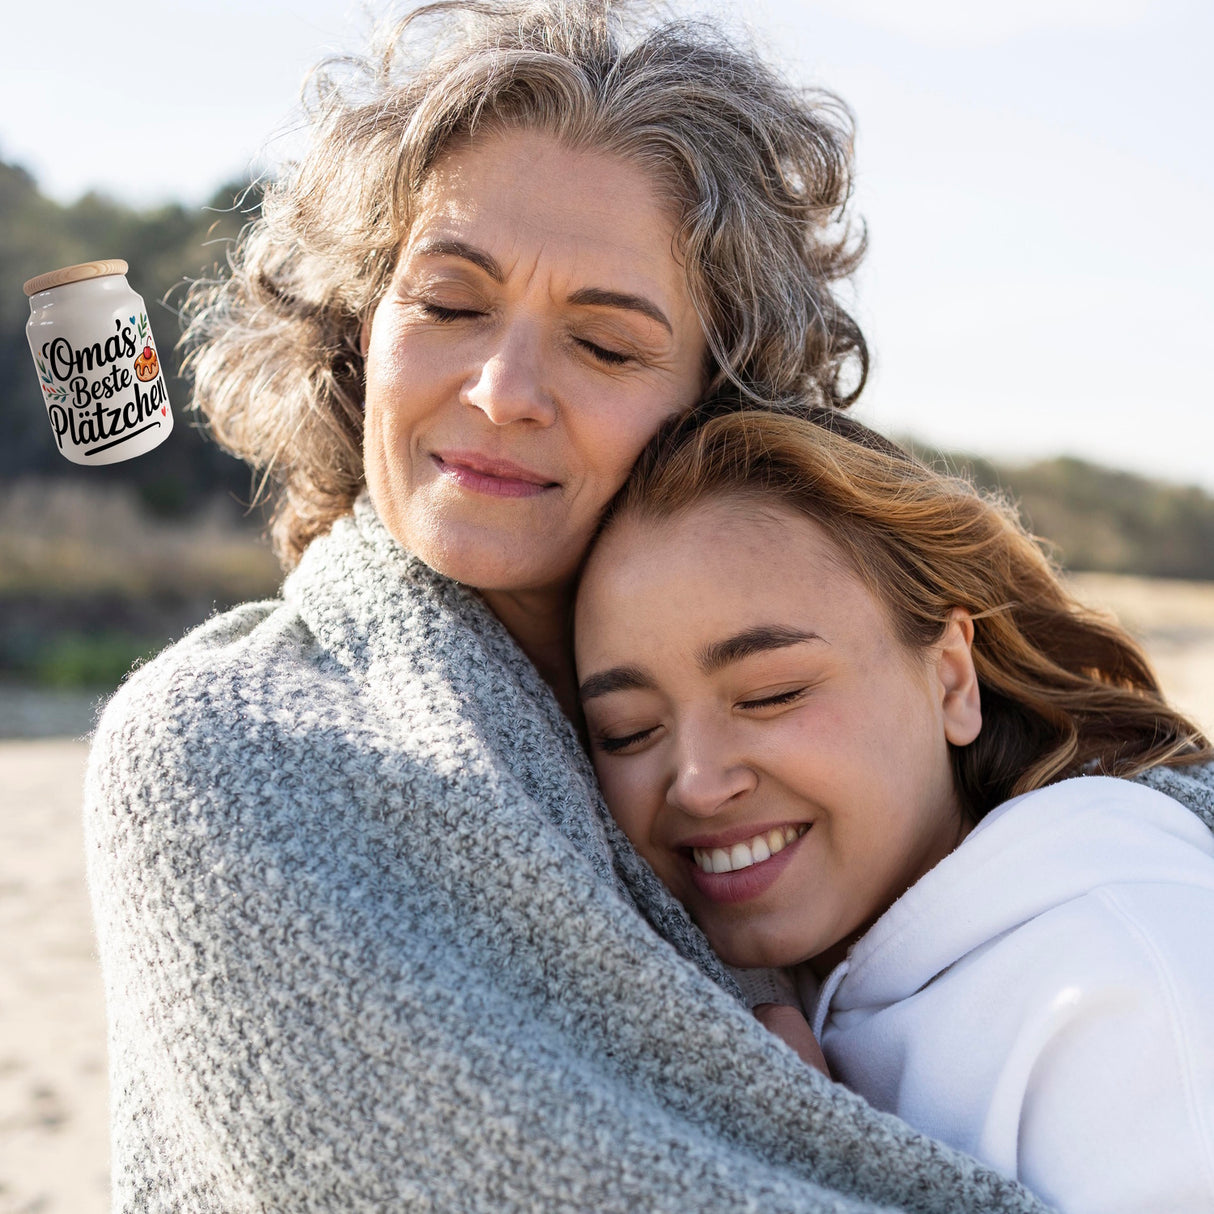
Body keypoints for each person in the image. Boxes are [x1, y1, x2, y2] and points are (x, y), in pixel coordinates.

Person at [81, 2, 1064, 1210]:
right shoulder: (222, 745)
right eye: (449, 304)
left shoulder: (862, 738)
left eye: (602, 343)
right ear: (359, 332)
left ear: (719, 400)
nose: (502, 390)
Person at [574, 405, 1214, 1214]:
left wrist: (808, 1176)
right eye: (627, 732)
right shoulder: (774, 966)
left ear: (950, 679)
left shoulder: (1131, 991)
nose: (697, 784)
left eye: (772, 694)